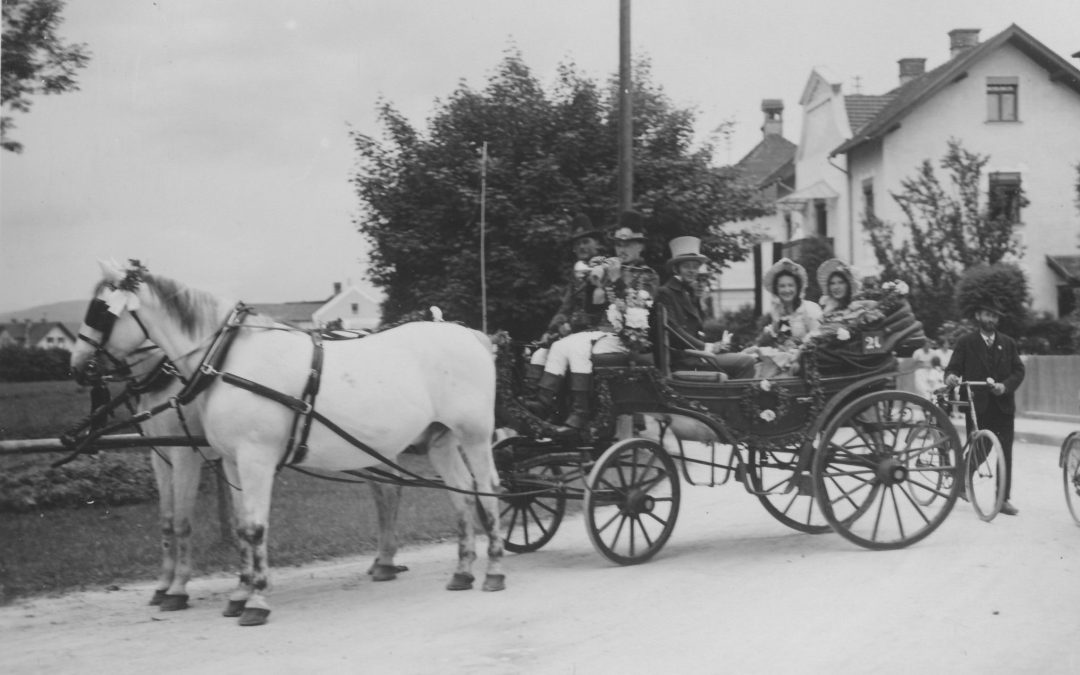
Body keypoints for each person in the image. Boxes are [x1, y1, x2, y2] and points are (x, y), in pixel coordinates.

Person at [527, 210, 659, 431]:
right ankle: (543, 403)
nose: (622, 249)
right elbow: (592, 306)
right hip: (602, 332)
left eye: (628, 245)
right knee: (559, 346)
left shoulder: (647, 275)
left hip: (629, 338)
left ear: (640, 247)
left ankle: (581, 411)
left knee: (578, 347)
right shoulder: (608, 268)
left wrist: (615, 280)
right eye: (618, 245)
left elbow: (641, 309)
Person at [944, 297, 1025, 516]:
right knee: (980, 448)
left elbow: (1019, 371)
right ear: (978, 316)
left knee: (1005, 452)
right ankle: (961, 482)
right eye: (987, 315)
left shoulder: (1008, 343)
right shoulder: (965, 342)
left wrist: (1005, 386)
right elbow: (952, 369)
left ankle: (1003, 499)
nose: (991, 319)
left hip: (1003, 406)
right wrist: (951, 377)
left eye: (994, 316)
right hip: (977, 405)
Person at [653, 236, 756, 378]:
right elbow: (673, 332)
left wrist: (716, 346)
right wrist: (708, 347)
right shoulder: (666, 293)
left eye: (695, 266)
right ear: (676, 269)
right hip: (684, 360)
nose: (692, 271)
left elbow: (696, 330)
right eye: (686, 266)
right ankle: (741, 400)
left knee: (749, 357)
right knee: (746, 362)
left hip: (697, 356)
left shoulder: (688, 293)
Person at [525, 214, 607, 390]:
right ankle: (534, 401)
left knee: (563, 349)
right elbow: (567, 306)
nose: (581, 247)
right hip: (576, 331)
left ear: (597, 244)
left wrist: (571, 325)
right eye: (577, 245)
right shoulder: (577, 273)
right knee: (540, 353)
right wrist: (552, 330)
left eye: (585, 242)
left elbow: (603, 309)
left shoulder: (606, 268)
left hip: (599, 332)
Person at [744, 258, 822, 378]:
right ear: (777, 289)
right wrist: (775, 322)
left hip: (803, 362)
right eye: (782, 286)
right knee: (753, 365)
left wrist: (798, 353)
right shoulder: (778, 311)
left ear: (797, 288)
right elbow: (776, 340)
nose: (787, 290)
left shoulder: (809, 309)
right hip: (782, 359)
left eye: (790, 285)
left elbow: (817, 338)